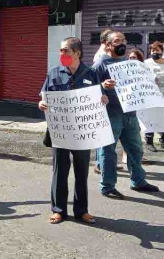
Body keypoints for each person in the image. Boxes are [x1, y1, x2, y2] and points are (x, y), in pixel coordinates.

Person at [39, 37, 105, 225]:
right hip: (60, 131)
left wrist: (103, 100)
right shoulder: (53, 73)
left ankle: (81, 211)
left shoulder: (91, 73)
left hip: (82, 131)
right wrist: (41, 103)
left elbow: (98, 98)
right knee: (59, 171)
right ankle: (58, 210)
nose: (62, 54)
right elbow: (44, 96)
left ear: (77, 53)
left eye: (66, 50)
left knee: (81, 171)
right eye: (61, 50)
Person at [93, 31, 160, 199]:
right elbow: (88, 87)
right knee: (108, 152)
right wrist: (102, 85)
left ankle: (138, 181)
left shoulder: (127, 62)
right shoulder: (100, 63)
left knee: (136, 149)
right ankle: (107, 186)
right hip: (111, 114)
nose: (122, 43)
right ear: (108, 45)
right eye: (117, 41)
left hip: (130, 114)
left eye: (123, 40)